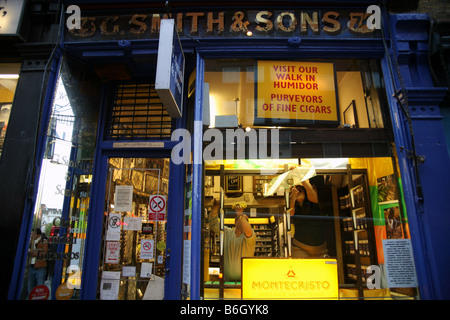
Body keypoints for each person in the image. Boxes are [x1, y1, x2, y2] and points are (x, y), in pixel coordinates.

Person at [209, 199, 256, 282]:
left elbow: (249, 232)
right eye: (241, 219)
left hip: (245, 282)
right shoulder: (227, 232)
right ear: (235, 222)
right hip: (227, 282)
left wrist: (240, 215)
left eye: (246, 220)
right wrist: (216, 207)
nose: (244, 222)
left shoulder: (250, 237)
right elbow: (213, 224)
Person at [288, 180, 329, 258]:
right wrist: (293, 198)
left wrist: (300, 175)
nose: (297, 192)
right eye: (295, 191)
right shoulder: (293, 207)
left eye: (300, 190)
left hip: (320, 249)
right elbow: (290, 213)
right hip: (300, 248)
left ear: (305, 192)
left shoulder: (314, 204)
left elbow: (310, 190)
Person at [27, 228, 48, 297]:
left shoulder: (44, 242)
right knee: (30, 288)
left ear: (38, 235)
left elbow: (43, 254)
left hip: (40, 268)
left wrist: (31, 252)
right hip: (31, 267)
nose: (31, 236)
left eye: (32, 234)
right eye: (31, 234)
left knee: (40, 289)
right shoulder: (30, 242)